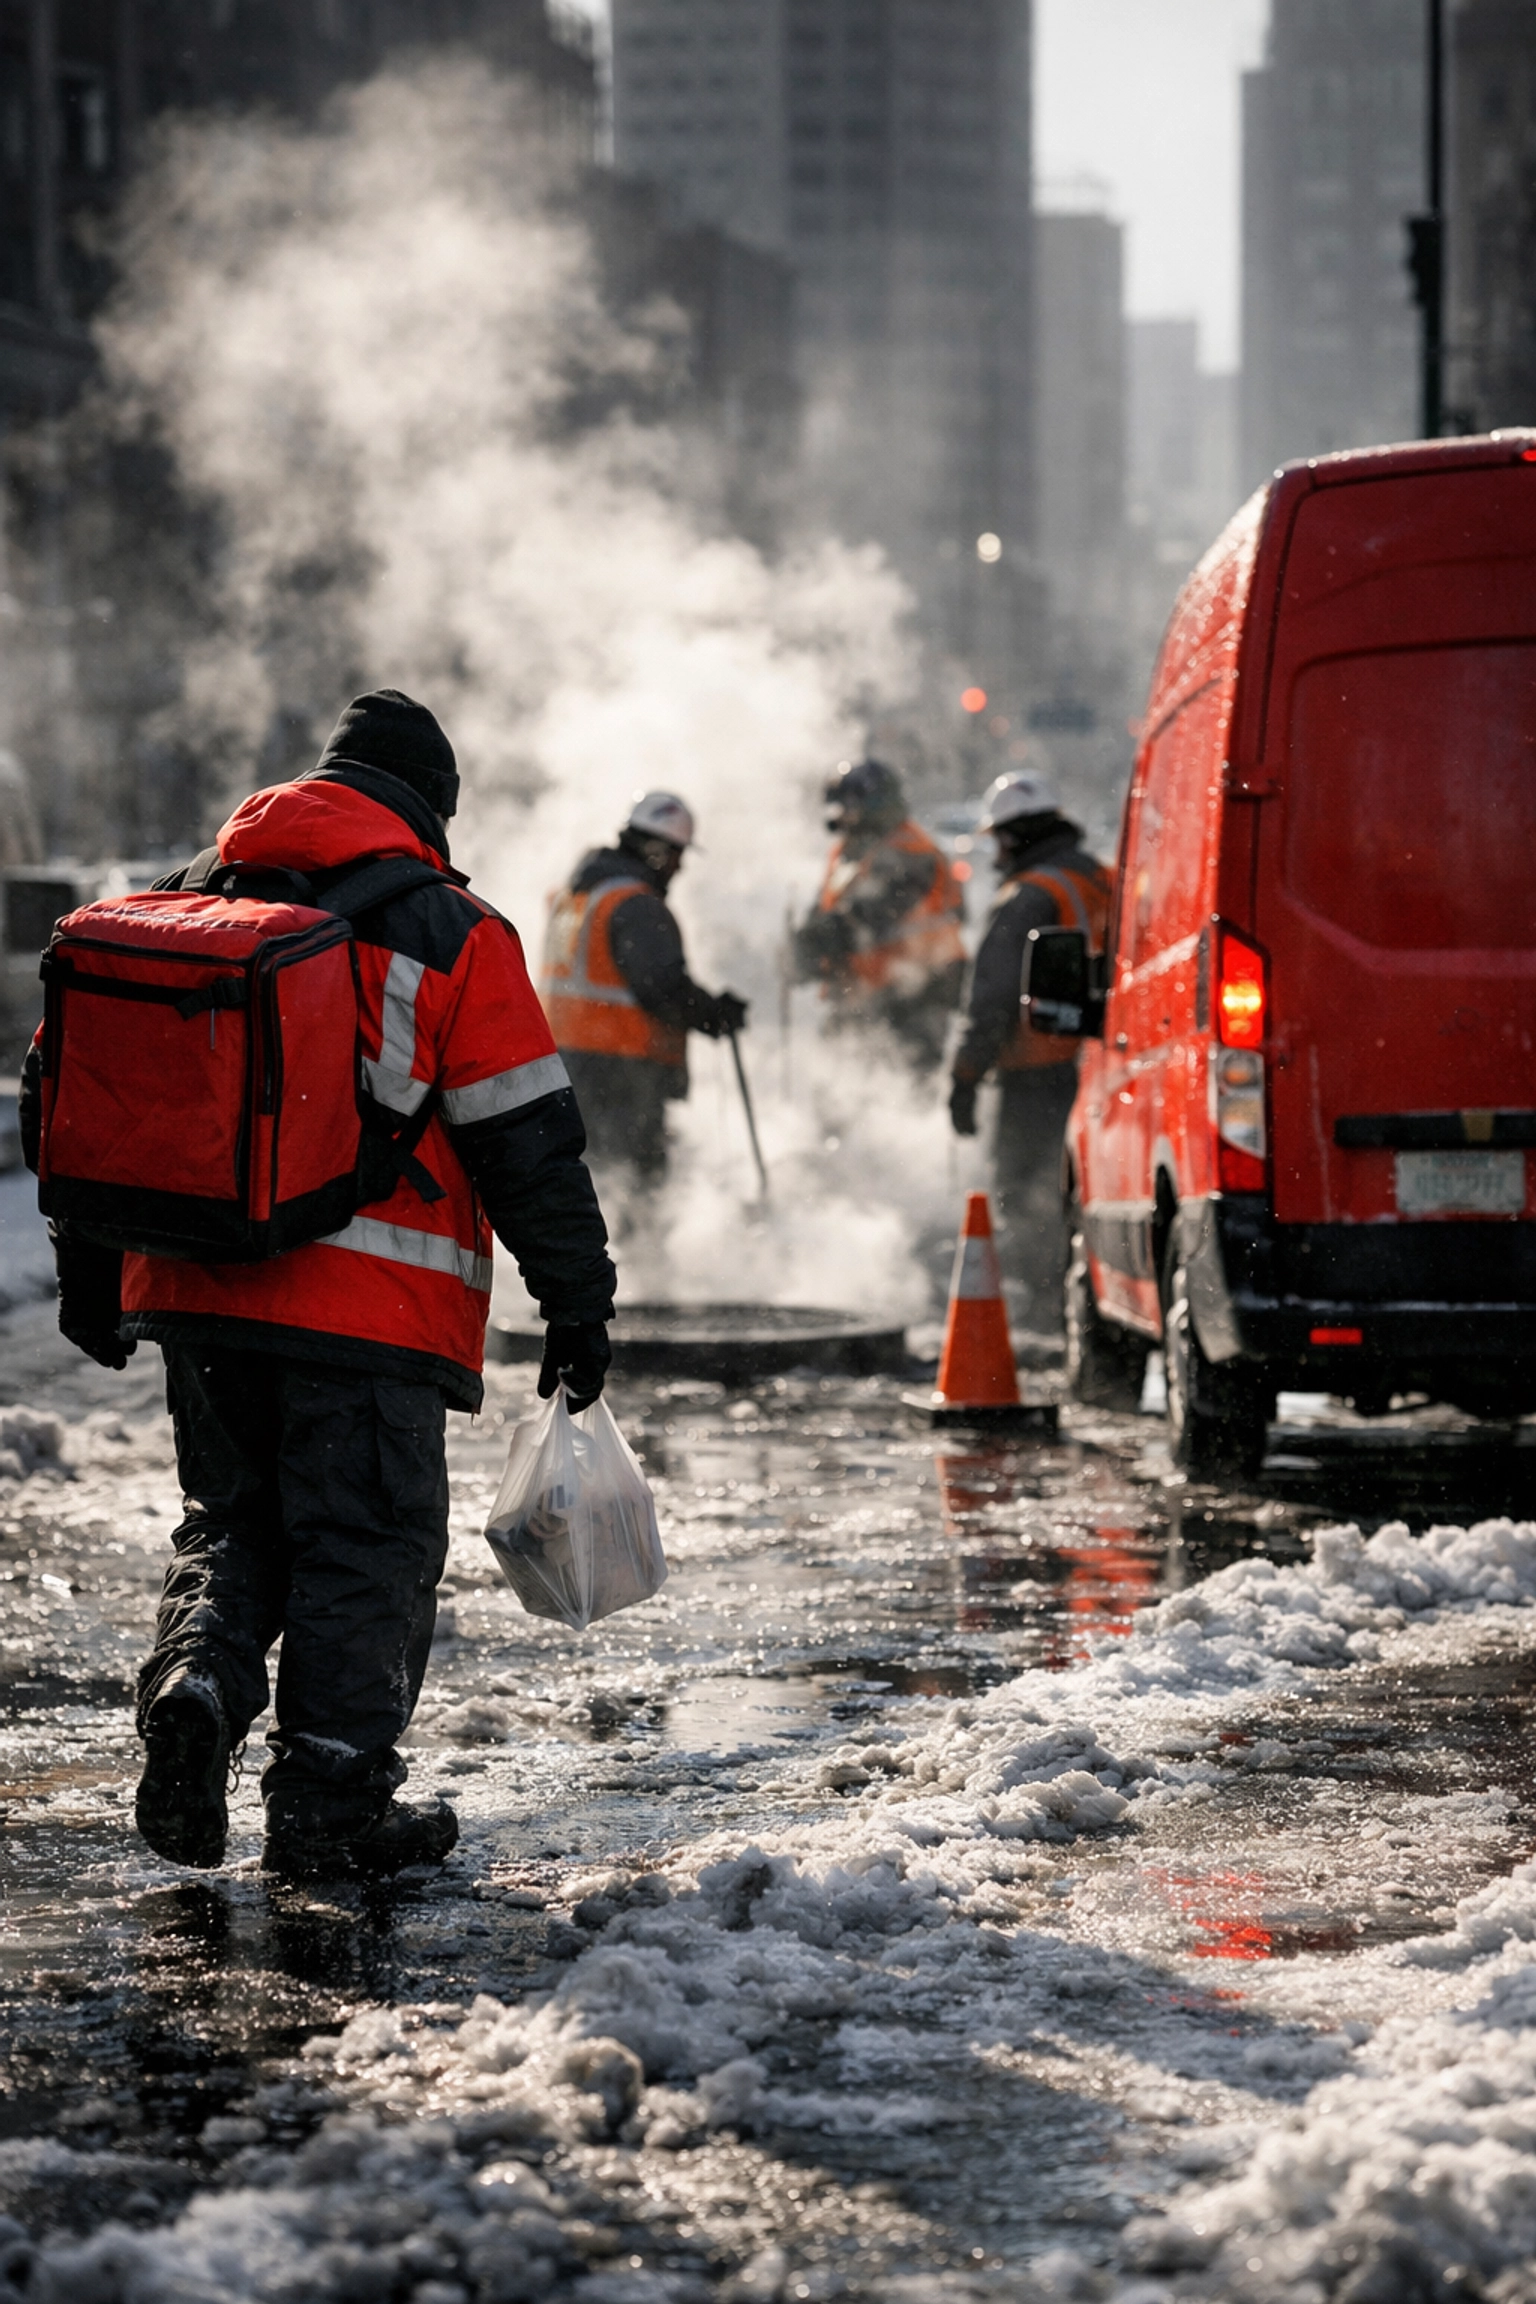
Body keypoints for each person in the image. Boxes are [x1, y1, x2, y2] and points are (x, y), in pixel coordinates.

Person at [23, 689, 617, 1881]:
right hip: (370, 1317)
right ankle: (332, 1807)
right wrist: (579, 1302)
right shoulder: (454, 933)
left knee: (235, 1526)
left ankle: (196, 1683)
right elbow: (528, 1143)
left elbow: (72, 1102)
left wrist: (91, 1277)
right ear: (428, 811)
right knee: (364, 1546)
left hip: (195, 1297)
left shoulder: (183, 904)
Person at [948, 769, 1111, 1318]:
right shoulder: (1104, 881)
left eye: (997, 838)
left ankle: (1038, 1312)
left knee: (1024, 1196)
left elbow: (992, 996)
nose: (995, 851)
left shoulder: (1027, 896)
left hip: (1037, 1076)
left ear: (1014, 835)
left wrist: (965, 1076)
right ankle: (1079, 1305)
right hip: (1103, 1067)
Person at [539, 792, 748, 1185]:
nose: (678, 868)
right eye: (676, 855)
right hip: (621, 1079)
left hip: (566, 1069)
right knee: (635, 1194)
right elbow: (662, 988)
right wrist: (714, 1014)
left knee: (590, 1187)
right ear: (655, 850)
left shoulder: (576, 898)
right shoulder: (636, 906)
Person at [792, 757, 966, 1072]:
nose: (840, 817)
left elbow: (870, 915)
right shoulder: (850, 852)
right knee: (837, 1092)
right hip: (861, 996)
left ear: (874, 805)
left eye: (848, 807)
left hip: (914, 999)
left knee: (902, 1093)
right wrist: (804, 953)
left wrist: (818, 939)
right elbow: (827, 910)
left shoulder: (911, 851)